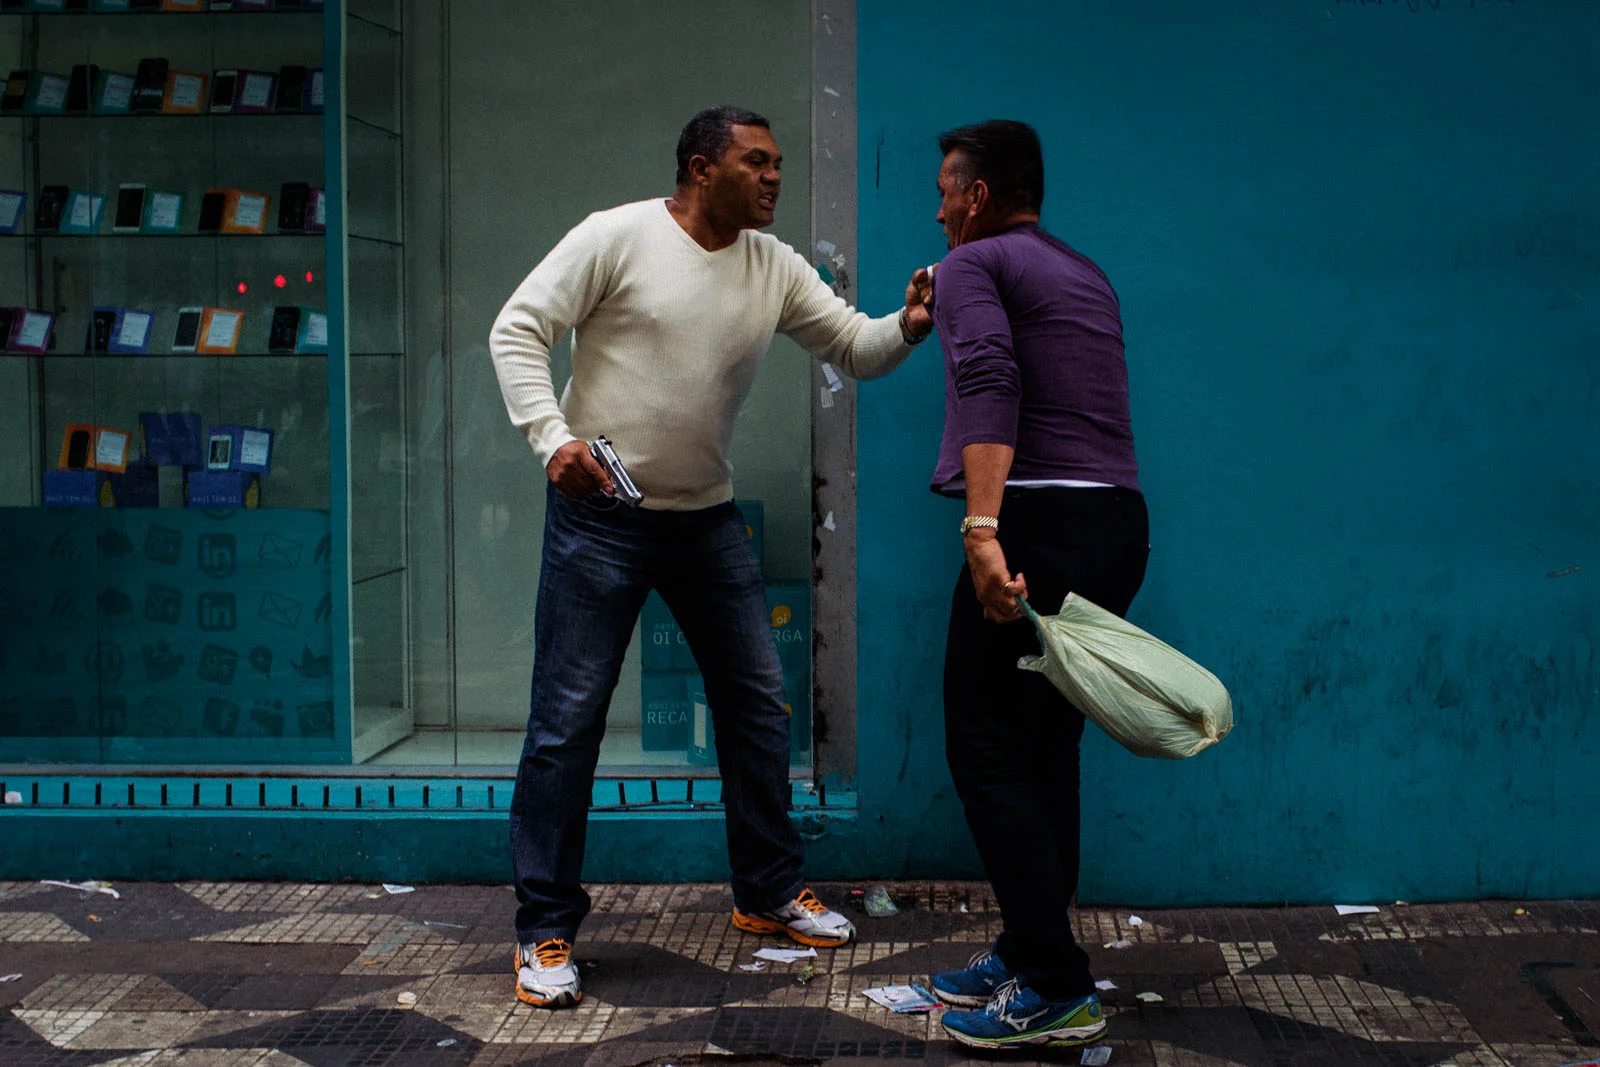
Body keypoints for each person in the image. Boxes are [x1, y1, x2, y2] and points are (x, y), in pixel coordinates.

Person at [488, 105, 933, 1009]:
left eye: (778, 164)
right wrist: (551, 438)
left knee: (758, 707)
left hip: (704, 521)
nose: (774, 178)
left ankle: (767, 890)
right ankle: (543, 928)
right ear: (700, 169)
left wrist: (913, 322)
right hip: (600, 517)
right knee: (567, 723)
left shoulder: (774, 266)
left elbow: (854, 345)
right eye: (756, 162)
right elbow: (517, 328)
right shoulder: (616, 236)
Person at [923, 120, 1149, 1051]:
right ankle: (1030, 947)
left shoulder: (974, 264)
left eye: (946, 191)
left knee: (985, 747)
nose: (938, 210)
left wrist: (982, 529)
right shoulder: (1082, 271)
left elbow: (990, 375)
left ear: (977, 195)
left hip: (1036, 526)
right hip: (1115, 524)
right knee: (1047, 747)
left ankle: (1056, 985)